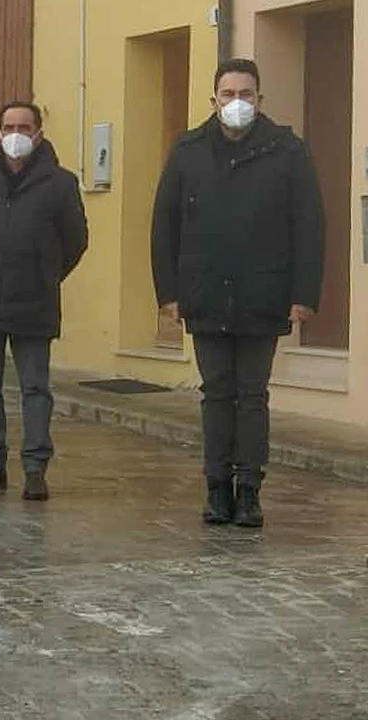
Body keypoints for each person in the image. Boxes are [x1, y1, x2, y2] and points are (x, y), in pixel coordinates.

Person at [152, 58, 325, 527]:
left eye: (245, 95)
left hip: (263, 295)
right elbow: (163, 226)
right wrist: (168, 293)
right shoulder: (187, 151)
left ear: (259, 99)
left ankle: (248, 490)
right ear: (213, 100)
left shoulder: (287, 150)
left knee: (252, 396)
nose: (236, 103)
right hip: (204, 294)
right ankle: (215, 489)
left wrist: (304, 294)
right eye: (228, 95)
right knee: (216, 394)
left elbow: (309, 226)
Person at [0, 101, 88, 501]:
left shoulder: (61, 183)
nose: (16, 133)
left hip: (34, 299)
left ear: (39, 133)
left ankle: (35, 468)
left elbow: (75, 240)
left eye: (24, 127)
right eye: (8, 126)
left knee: (34, 387)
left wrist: (46, 273)